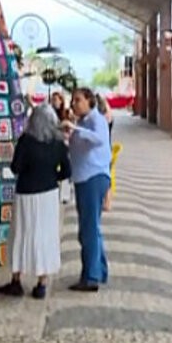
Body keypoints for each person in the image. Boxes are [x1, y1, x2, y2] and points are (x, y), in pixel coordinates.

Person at [0, 104, 71, 299]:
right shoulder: (58, 143)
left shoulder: (26, 141)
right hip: (48, 196)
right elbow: (67, 171)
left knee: (22, 233)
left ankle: (16, 280)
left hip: (26, 194)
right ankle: (41, 284)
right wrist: (51, 176)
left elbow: (15, 167)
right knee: (45, 236)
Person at [62, 87, 112, 292]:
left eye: (78, 100)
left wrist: (75, 130)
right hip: (83, 178)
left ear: (89, 101)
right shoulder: (82, 122)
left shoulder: (95, 120)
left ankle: (90, 276)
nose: (74, 104)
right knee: (91, 227)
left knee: (89, 229)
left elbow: (98, 138)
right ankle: (99, 269)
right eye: (73, 100)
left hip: (93, 177)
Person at [49, 91, 74, 205]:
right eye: (53, 99)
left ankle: (65, 195)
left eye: (56, 99)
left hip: (64, 143)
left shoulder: (67, 113)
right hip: (52, 143)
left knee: (66, 167)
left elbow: (70, 130)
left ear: (61, 100)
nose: (54, 102)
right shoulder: (48, 113)